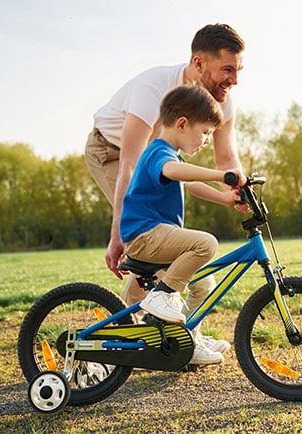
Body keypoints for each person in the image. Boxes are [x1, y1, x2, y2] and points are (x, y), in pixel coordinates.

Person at [83, 24, 246, 354]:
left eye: (239, 70)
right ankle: (159, 332)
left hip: (161, 163)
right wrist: (118, 237)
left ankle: (171, 337)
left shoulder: (220, 103)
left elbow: (226, 159)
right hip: (113, 151)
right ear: (199, 64)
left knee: (179, 258)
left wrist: (241, 191)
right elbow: (129, 167)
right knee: (153, 245)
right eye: (227, 69)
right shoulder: (154, 89)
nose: (235, 80)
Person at [119, 85, 244, 365]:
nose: (207, 141)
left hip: (158, 238)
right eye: (205, 132)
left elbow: (190, 183)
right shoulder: (159, 153)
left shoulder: (171, 155)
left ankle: (188, 341)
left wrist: (225, 199)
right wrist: (221, 174)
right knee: (206, 243)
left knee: (204, 283)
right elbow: (173, 172)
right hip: (146, 237)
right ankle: (161, 296)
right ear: (182, 124)